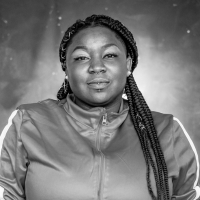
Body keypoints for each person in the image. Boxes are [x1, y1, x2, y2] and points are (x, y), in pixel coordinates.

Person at [0, 14, 199, 200]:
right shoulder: (28, 123)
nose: (96, 66)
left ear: (128, 64)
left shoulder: (166, 130)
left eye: (110, 55)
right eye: (81, 57)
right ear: (66, 69)